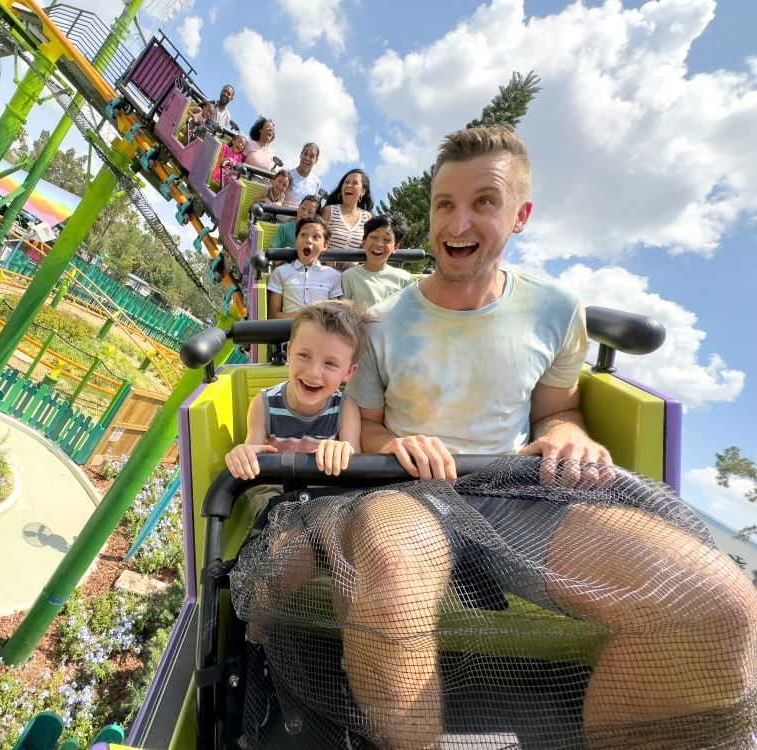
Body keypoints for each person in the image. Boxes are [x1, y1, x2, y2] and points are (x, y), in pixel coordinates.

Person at [240, 125, 757, 750]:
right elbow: (367, 429)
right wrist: (395, 446)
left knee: (720, 605)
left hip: (517, 496)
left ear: (521, 215)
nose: (457, 223)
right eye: (444, 204)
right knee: (393, 577)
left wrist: (570, 436)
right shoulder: (383, 325)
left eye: (484, 202)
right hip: (407, 495)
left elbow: (557, 412)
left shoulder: (558, 309)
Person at [225, 300, 367, 482]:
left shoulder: (346, 407)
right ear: (289, 351)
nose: (314, 373)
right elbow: (252, 451)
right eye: (304, 355)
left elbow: (357, 464)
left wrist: (343, 451)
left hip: (326, 498)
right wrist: (243, 455)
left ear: (349, 372)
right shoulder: (263, 404)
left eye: (330, 364)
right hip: (275, 496)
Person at [267, 216, 342, 319]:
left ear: (325, 246)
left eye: (316, 237)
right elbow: (273, 316)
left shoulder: (333, 276)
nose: (309, 240)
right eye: (304, 235)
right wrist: (307, 317)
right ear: (296, 241)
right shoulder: (281, 272)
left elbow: (334, 316)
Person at [341, 213, 415, 309]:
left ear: (395, 247)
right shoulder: (349, 276)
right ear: (364, 242)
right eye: (374, 237)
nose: (379, 244)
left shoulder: (404, 279)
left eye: (387, 239)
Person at [320, 168, 374, 251]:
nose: (349, 185)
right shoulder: (329, 211)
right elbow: (318, 240)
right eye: (346, 182)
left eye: (355, 183)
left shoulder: (367, 217)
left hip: (355, 264)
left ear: (363, 191)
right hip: (326, 263)